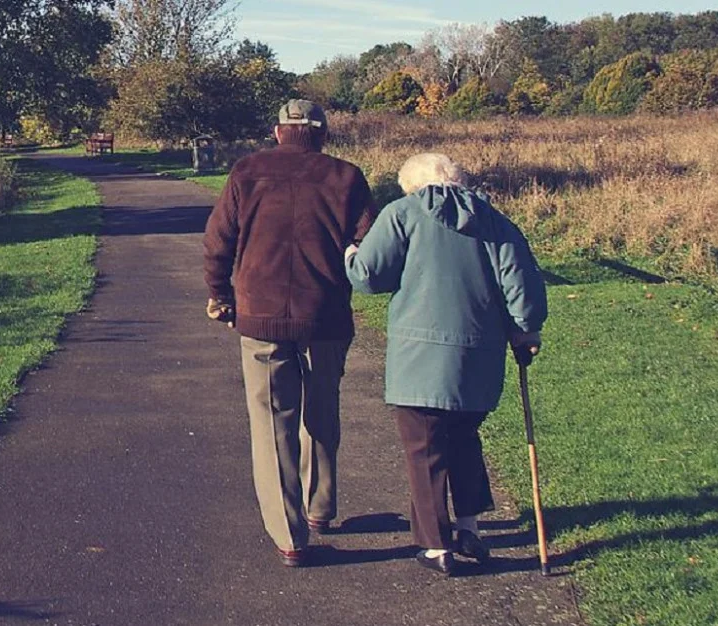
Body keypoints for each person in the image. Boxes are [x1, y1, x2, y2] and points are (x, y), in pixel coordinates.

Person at [344, 153, 547, 576]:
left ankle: (437, 546)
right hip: (479, 357)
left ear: (412, 186)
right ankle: (469, 527)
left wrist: (350, 253)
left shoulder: (402, 214)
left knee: (424, 448)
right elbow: (522, 288)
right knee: (463, 438)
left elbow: (368, 276)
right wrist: (526, 330)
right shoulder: (496, 221)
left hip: (418, 358)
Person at [203, 99, 377, 567]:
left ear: (279, 132)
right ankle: (320, 506)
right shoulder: (347, 176)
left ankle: (290, 536)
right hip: (325, 315)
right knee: (322, 409)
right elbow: (367, 244)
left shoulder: (247, 171)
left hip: (259, 315)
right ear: (321, 133)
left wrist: (220, 294)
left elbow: (218, 239)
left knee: (272, 423)